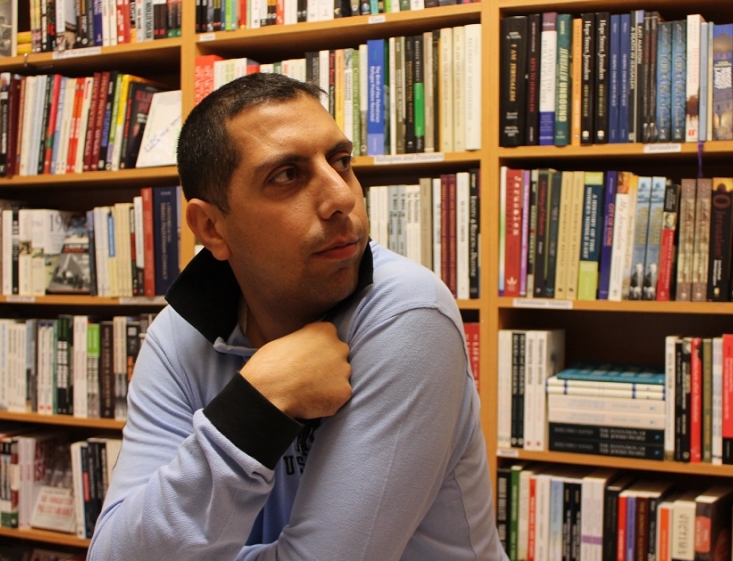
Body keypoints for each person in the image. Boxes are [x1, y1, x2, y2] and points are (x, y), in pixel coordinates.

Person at [87, 72, 506, 561]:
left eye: (341, 162)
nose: (342, 197)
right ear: (211, 227)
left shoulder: (408, 312)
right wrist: (255, 407)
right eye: (286, 175)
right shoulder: (178, 336)